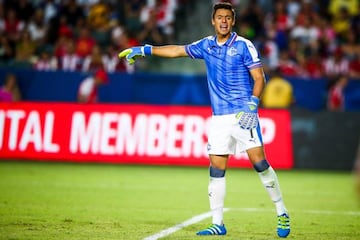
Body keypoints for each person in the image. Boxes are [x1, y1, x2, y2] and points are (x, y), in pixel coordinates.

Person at [118, 2, 290, 238]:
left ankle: (281, 211)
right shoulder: (206, 46)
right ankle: (218, 224)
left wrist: (252, 105)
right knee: (216, 169)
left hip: (243, 114)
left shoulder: (243, 45)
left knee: (259, 162)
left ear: (233, 21)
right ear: (213, 20)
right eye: (219, 17)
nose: (223, 21)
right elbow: (177, 50)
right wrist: (145, 50)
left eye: (227, 18)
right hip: (219, 118)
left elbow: (259, 77)